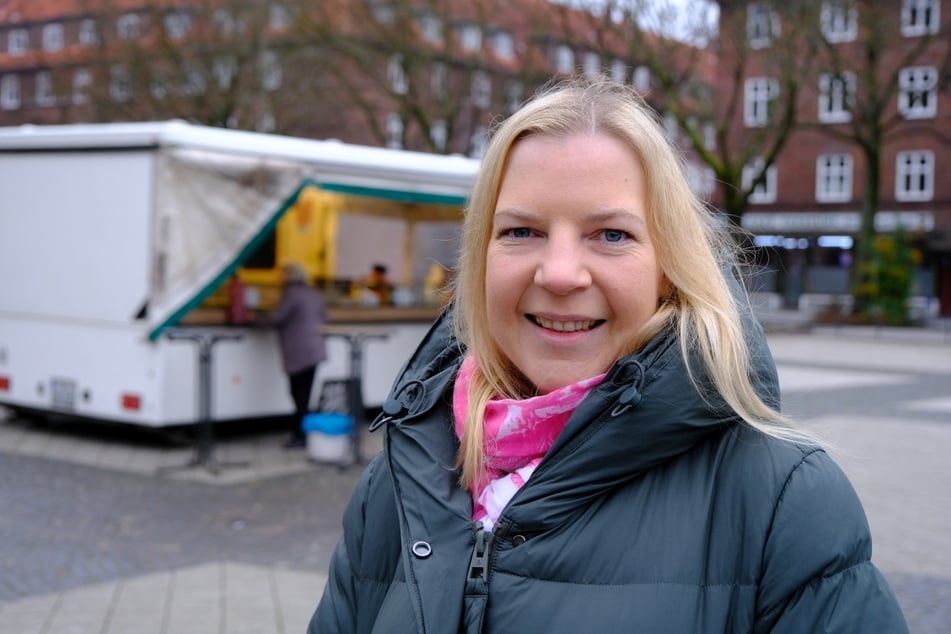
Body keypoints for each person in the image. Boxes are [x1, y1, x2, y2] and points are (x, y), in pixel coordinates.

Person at [309, 79, 908, 632]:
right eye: (521, 231)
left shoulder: (784, 500)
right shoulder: (396, 479)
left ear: (669, 268)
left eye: (612, 235)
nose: (561, 273)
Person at [265, 263, 328, 448]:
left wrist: (257, 318)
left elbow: (276, 318)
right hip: (315, 347)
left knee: (297, 393)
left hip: (299, 350)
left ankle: (301, 435)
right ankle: (304, 432)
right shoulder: (313, 292)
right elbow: (325, 317)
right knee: (305, 393)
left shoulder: (291, 293)